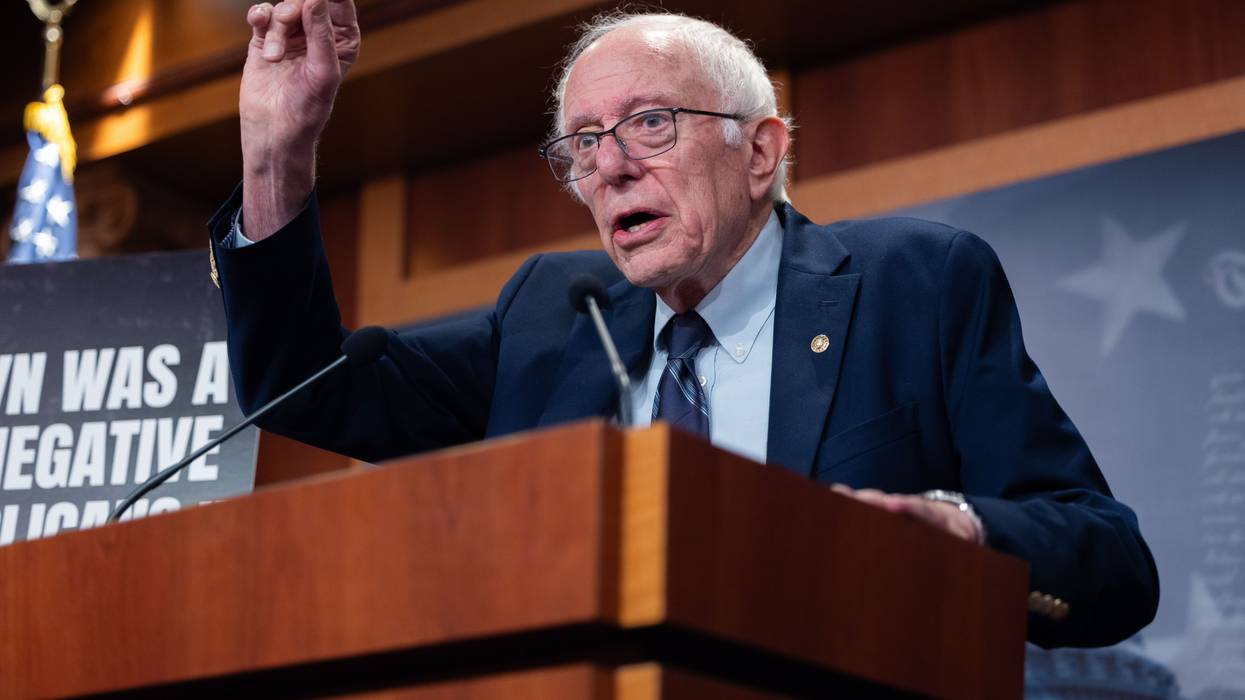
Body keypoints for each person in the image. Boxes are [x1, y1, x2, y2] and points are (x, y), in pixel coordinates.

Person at [210, 0, 1158, 648]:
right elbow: (304, 389)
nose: (610, 166)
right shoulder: (552, 316)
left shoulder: (915, 284)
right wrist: (274, 150)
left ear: (760, 153)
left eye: (650, 123)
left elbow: (1111, 563)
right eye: (584, 144)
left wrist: (951, 532)